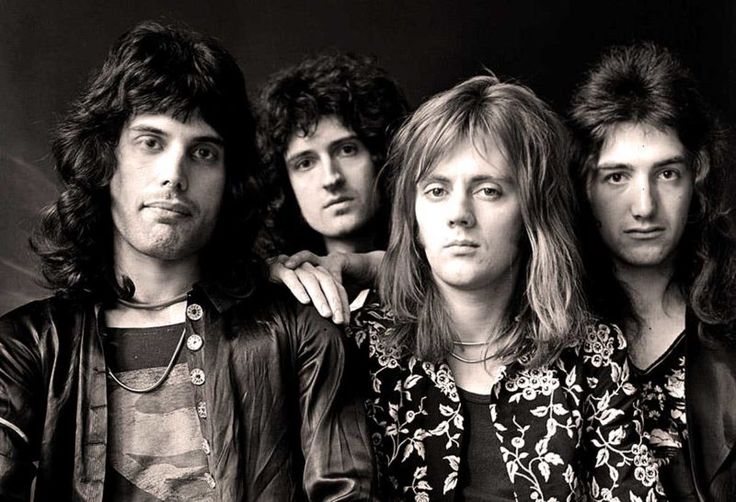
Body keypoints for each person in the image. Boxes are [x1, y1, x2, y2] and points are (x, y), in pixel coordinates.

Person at [0, 21, 374, 501]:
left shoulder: (298, 328)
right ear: (104, 158)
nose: (174, 175)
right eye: (151, 142)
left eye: (203, 152)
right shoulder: (29, 347)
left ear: (229, 180)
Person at [345, 75, 661, 501]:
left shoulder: (593, 354)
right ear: (413, 218)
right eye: (436, 190)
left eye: (488, 190)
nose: (459, 214)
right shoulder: (360, 349)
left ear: (532, 215)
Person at [569, 42, 736, 500]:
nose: (644, 207)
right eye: (617, 176)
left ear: (696, 174)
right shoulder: (552, 318)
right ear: (585, 183)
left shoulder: (729, 316)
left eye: (666, 174)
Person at [256, 53, 408, 323]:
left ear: (380, 155)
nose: (331, 177)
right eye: (305, 163)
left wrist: (373, 267)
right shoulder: (274, 284)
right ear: (284, 183)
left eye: (347, 150)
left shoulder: (444, 256)